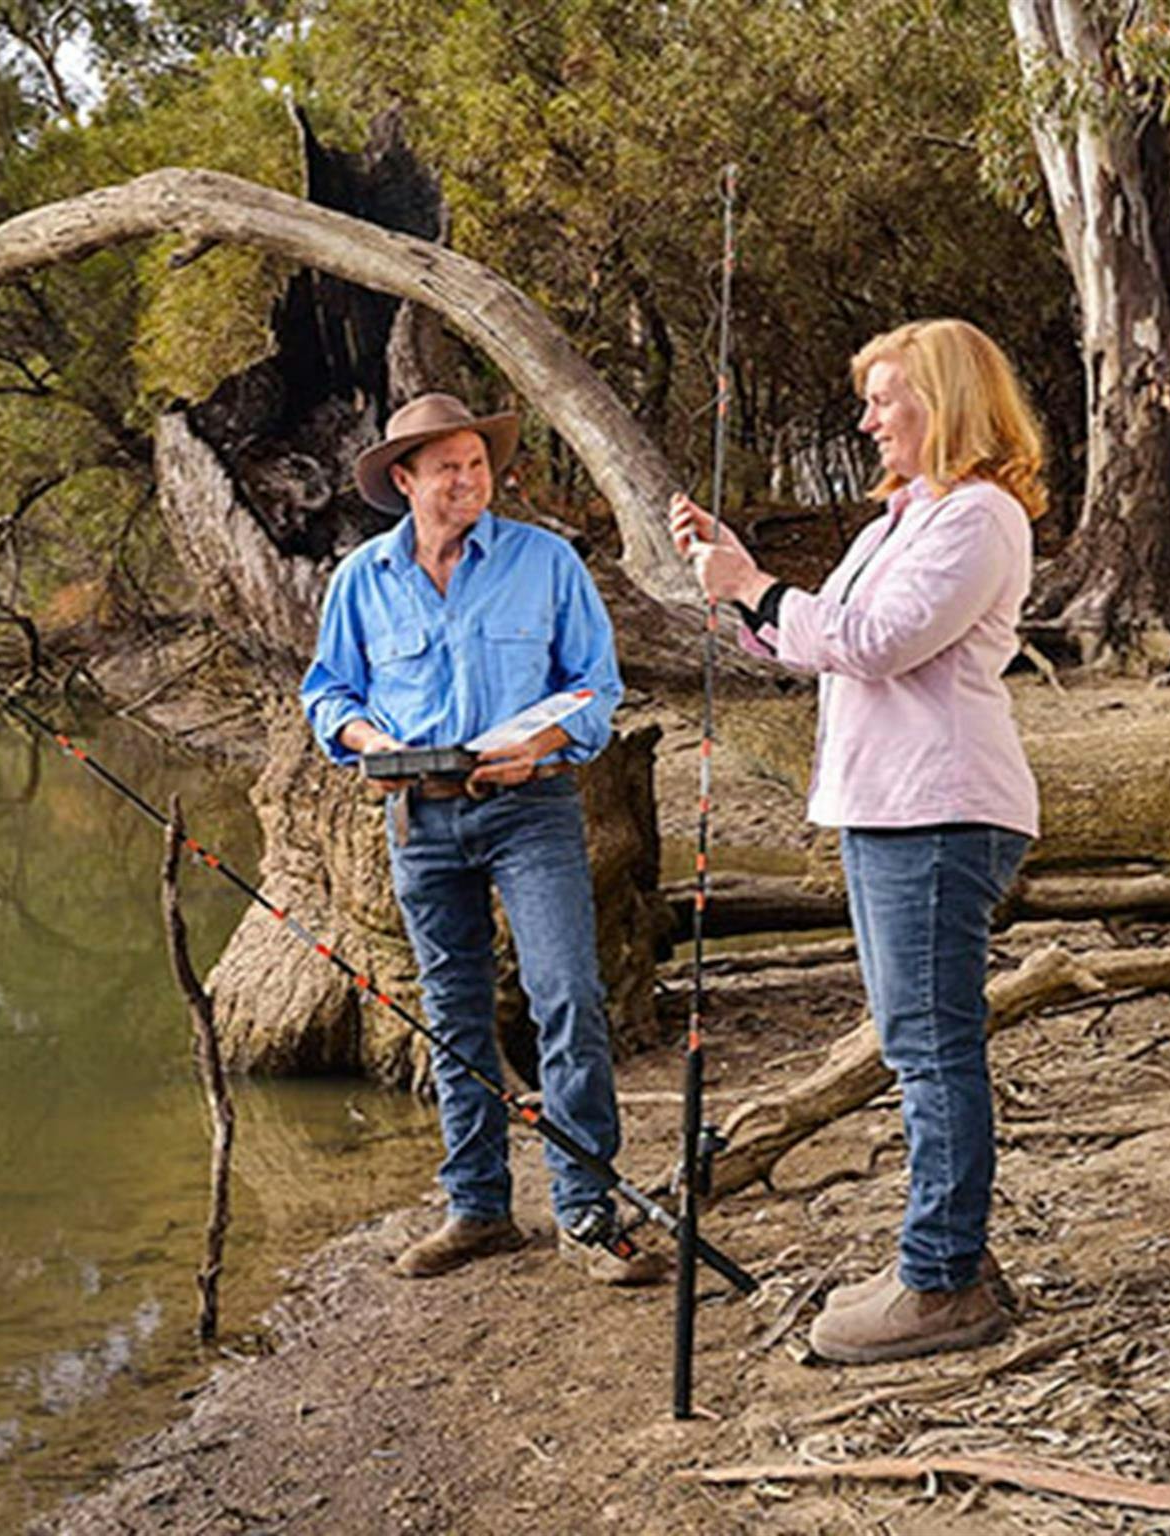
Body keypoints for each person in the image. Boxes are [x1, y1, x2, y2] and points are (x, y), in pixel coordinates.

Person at [670, 317, 1043, 1363]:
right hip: (883, 808)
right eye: (868, 401)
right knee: (913, 1044)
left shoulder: (977, 517)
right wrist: (734, 583)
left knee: (929, 1052)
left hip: (938, 810)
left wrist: (753, 590)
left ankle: (939, 1284)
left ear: (944, 404)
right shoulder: (896, 520)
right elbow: (821, 636)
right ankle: (949, 1258)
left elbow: (875, 644)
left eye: (885, 399)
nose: (867, 418)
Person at [301, 391, 661, 1285]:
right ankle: (478, 1207)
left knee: (567, 993)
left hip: (531, 807)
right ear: (404, 479)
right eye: (448, 467)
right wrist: (371, 743)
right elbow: (327, 698)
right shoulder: (360, 581)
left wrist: (535, 742)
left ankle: (585, 1209)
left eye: (478, 464)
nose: (469, 481)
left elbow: (595, 687)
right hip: (416, 816)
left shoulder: (547, 562)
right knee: (451, 1014)